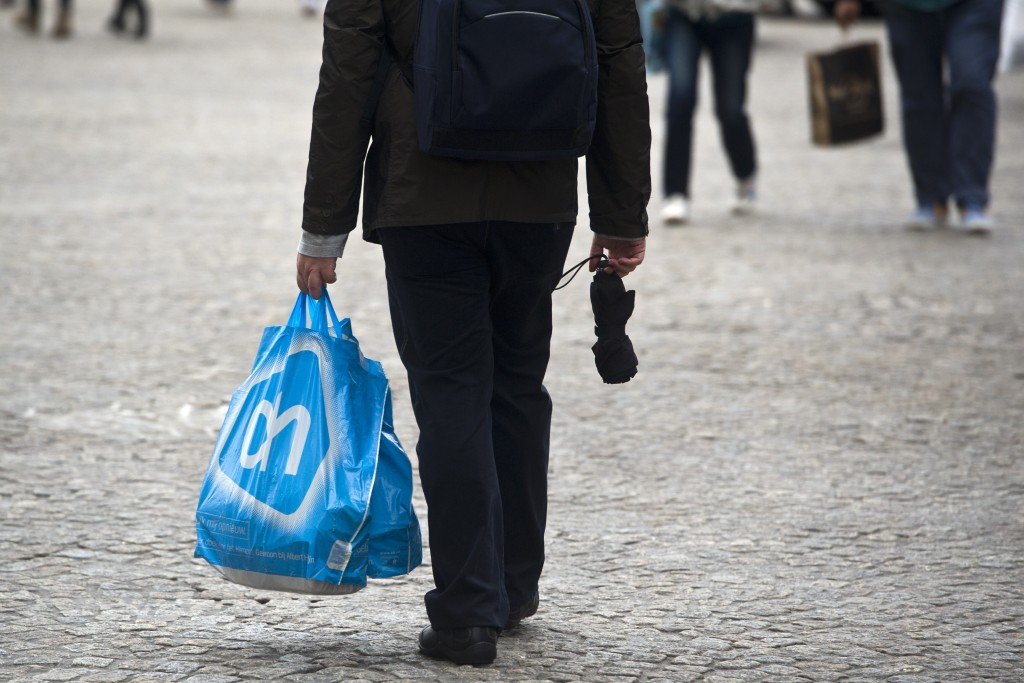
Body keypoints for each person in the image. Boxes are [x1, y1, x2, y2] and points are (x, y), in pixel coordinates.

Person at [294, 0, 651, 666]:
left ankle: (466, 612)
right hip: (538, 191)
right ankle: (512, 587)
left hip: (422, 194)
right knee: (516, 385)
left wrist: (323, 228)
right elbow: (619, 63)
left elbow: (347, 72)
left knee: (453, 391)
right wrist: (621, 214)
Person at [835, 0, 1004, 233]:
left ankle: (972, 196)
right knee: (919, 96)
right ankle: (931, 197)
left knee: (971, 85)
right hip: (908, 6)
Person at [657, 0, 760, 225]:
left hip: (735, 15)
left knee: (730, 109)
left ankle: (745, 174)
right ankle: (675, 192)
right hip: (684, 11)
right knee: (680, 99)